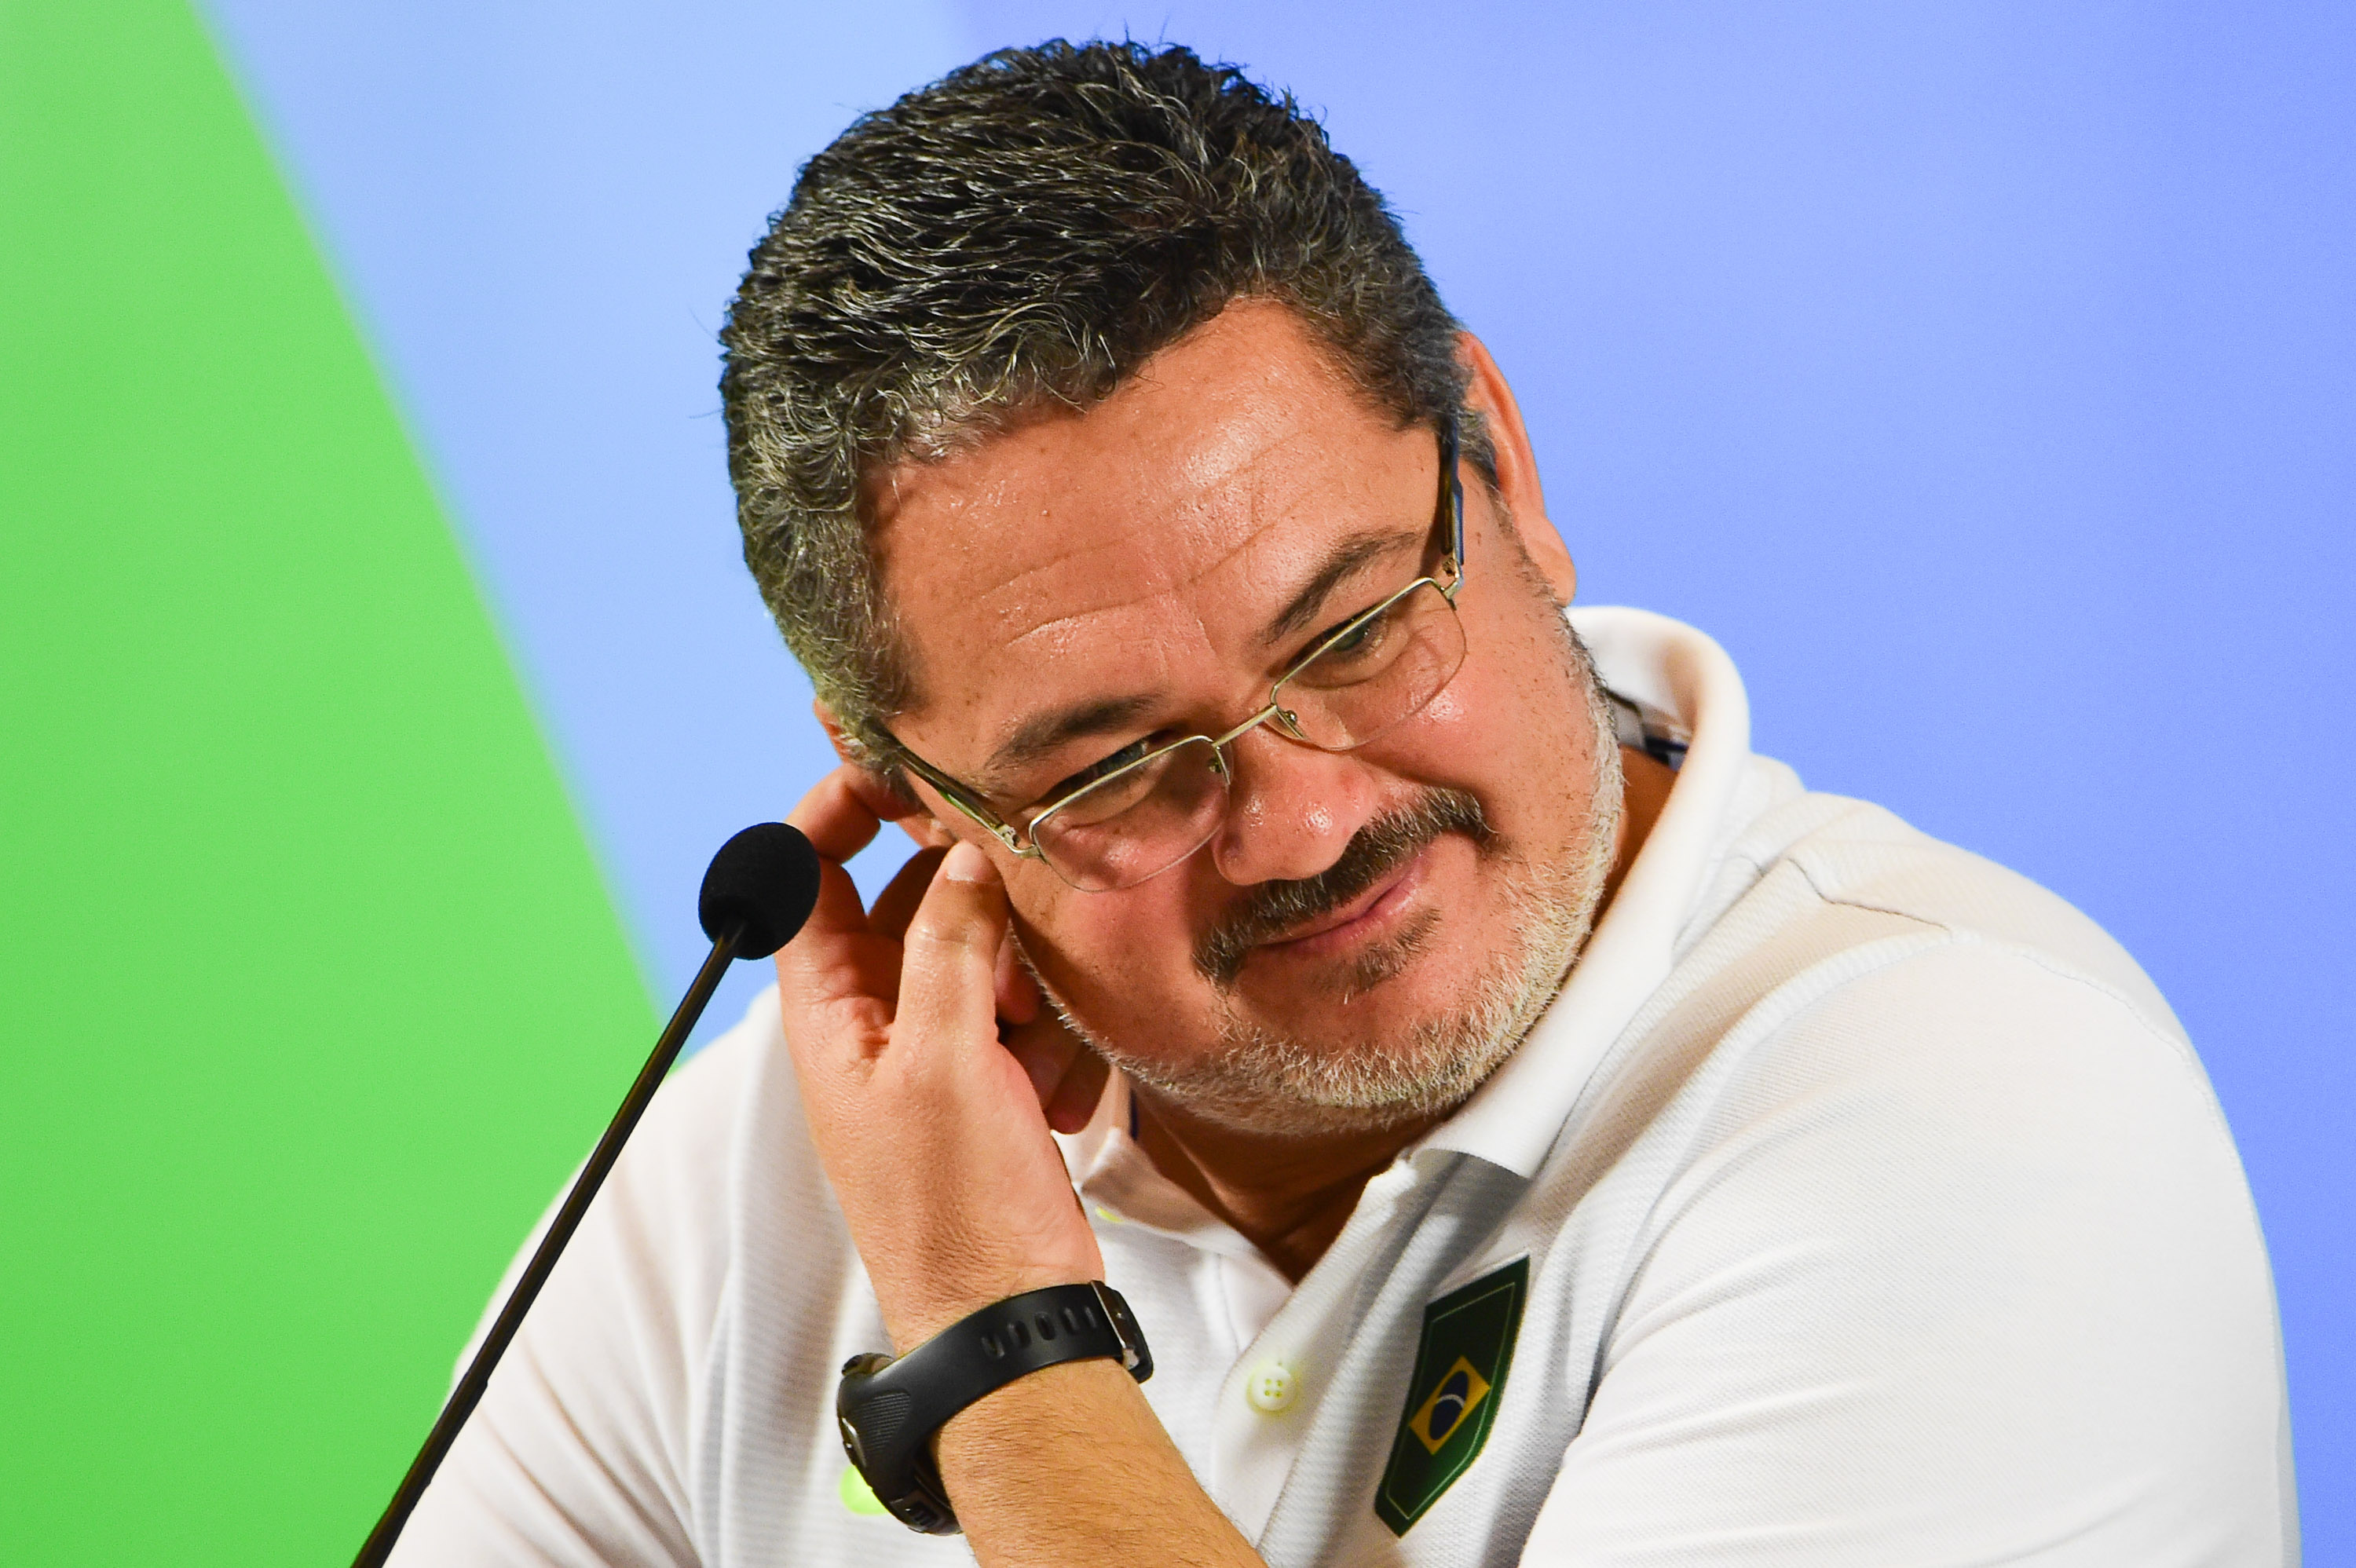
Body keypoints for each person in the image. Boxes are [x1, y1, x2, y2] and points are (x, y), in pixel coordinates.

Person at [393, 40, 2295, 1566]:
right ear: (910, 795)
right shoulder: (756, 1184)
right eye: (1114, 763)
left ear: (1499, 464)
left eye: (1359, 626)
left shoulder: (1967, 1083)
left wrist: (993, 1341)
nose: (1302, 822)